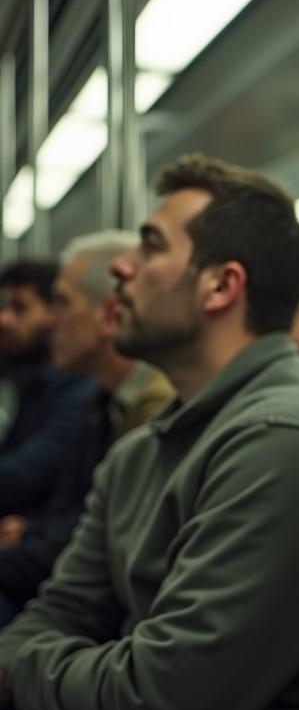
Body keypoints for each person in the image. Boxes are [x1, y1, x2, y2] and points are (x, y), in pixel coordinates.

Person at [0, 155, 299, 710]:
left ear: (220, 285)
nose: (121, 267)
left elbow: (161, 705)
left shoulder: (285, 442)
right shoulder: (141, 449)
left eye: (150, 247)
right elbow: (58, 611)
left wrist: (18, 671)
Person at [0, 233, 175, 623]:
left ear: (110, 315)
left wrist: (30, 538)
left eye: (61, 303)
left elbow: (114, 550)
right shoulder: (101, 402)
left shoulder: (151, 408)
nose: (49, 321)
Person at [0, 262, 95, 517]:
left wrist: (32, 530)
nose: (4, 320)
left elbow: (28, 474)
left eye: (19, 308)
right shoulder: (34, 383)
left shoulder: (81, 387)